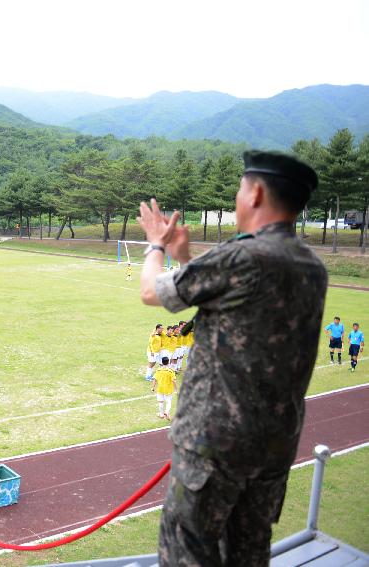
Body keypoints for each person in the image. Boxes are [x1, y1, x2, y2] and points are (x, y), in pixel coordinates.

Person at [137, 150, 326, 565]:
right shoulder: (311, 265)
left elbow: (153, 292)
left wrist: (156, 246)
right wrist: (186, 257)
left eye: (241, 189)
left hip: (215, 443)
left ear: (255, 193)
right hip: (274, 444)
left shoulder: (243, 256)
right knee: (248, 550)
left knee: (188, 549)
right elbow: (232, 302)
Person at [152, 356, 177, 420]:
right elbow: (173, 381)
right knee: (168, 402)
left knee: (160, 402)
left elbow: (155, 379)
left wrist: (153, 387)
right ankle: (166, 412)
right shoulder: (170, 371)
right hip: (168, 390)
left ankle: (161, 414)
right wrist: (176, 389)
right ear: (168, 362)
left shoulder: (158, 370)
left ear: (162, 362)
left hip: (160, 389)